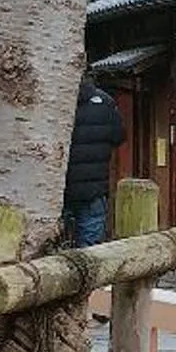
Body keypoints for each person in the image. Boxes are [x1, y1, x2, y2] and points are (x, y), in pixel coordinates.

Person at [64, 75, 126, 244]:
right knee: (90, 250)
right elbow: (118, 136)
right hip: (94, 189)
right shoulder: (106, 102)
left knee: (50, 246)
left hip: (58, 188)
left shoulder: (50, 103)